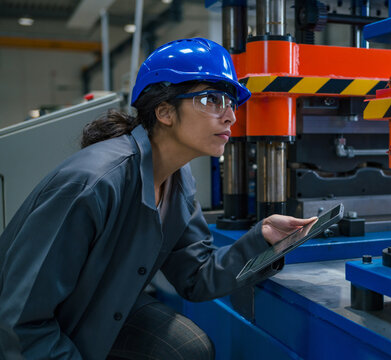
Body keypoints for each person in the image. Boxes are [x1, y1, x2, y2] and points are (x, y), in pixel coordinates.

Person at [0, 38, 315, 360]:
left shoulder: (178, 179)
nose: (230, 117)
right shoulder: (95, 183)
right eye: (212, 99)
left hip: (99, 302)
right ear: (164, 111)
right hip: (36, 328)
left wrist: (263, 239)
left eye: (231, 103)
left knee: (185, 348)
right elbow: (19, 322)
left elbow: (196, 277)